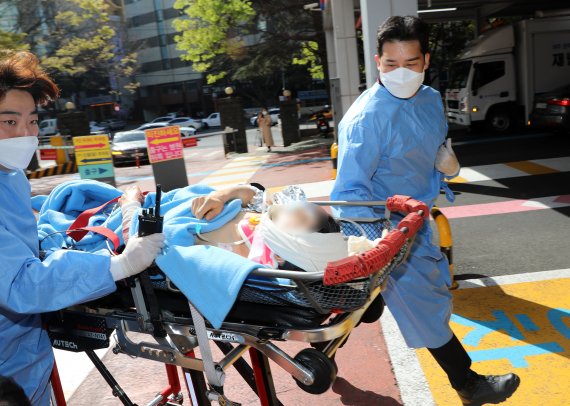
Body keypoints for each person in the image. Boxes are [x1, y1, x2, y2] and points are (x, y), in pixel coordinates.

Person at [330, 16, 520, 405]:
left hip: (422, 218)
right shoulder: (365, 120)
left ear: (426, 60)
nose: (401, 73)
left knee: (369, 304)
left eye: (411, 64)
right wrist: (378, 246)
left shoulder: (431, 100)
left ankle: (320, 353)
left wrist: (446, 165)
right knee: (425, 303)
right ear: (377, 61)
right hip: (388, 229)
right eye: (391, 64)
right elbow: (349, 193)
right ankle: (468, 384)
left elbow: (431, 148)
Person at [0, 51, 165, 405]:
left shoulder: (10, 178)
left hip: (23, 352)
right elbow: (20, 284)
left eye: (31, 121)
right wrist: (118, 265)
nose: (26, 134)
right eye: (9, 122)